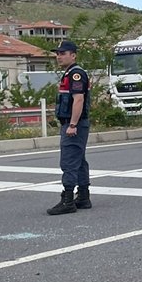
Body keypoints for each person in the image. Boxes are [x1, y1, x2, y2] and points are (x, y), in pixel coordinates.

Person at [48, 40, 92, 215]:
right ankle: (83, 196)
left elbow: (78, 99)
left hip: (74, 124)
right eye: (58, 53)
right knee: (78, 160)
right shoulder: (70, 73)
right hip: (74, 123)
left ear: (73, 55)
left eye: (63, 53)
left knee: (69, 161)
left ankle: (67, 199)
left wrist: (72, 124)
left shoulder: (76, 74)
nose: (59, 56)